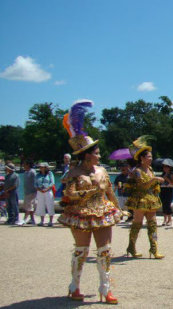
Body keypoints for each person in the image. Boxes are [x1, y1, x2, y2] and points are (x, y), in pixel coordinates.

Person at [57, 100, 123, 304]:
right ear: (86, 156)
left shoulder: (102, 171)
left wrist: (119, 209)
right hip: (81, 213)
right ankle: (74, 286)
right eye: (96, 153)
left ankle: (106, 288)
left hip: (102, 211)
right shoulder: (74, 173)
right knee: (81, 251)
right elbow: (68, 194)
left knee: (104, 251)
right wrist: (92, 190)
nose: (99, 155)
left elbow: (110, 191)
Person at [125, 136, 166, 258]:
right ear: (142, 158)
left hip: (151, 199)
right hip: (140, 200)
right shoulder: (137, 171)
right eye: (148, 157)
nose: (151, 159)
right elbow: (142, 186)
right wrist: (154, 179)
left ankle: (154, 248)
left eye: (151, 156)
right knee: (137, 224)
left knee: (152, 225)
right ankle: (131, 247)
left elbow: (150, 184)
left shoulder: (150, 169)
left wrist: (157, 182)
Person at [35, 162, 56, 227]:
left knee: (50, 205)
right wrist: (39, 189)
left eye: (42, 167)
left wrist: (47, 189)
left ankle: (50, 221)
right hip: (40, 191)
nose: (41, 168)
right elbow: (35, 184)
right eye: (40, 167)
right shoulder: (37, 175)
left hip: (48, 191)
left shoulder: (50, 174)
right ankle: (42, 221)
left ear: (46, 168)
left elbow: (52, 182)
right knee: (41, 205)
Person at [20, 160, 37, 225]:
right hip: (27, 192)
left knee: (29, 206)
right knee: (28, 206)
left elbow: (36, 181)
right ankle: (32, 219)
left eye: (25, 164)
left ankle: (24, 219)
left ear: (28, 165)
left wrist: (35, 190)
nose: (23, 166)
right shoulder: (25, 172)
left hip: (32, 192)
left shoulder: (32, 172)